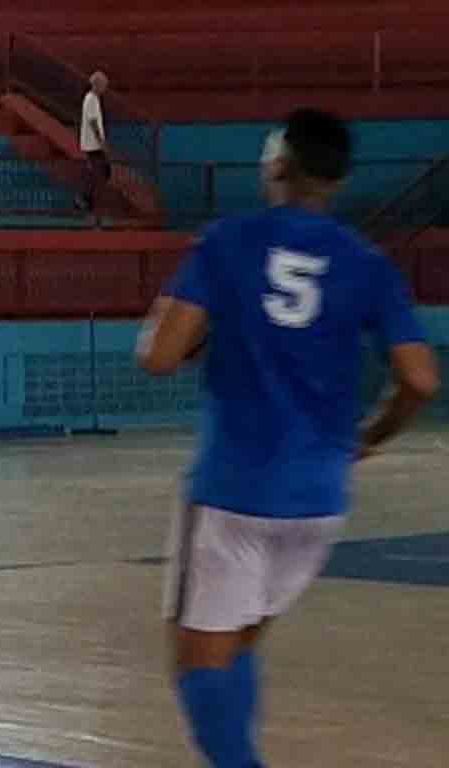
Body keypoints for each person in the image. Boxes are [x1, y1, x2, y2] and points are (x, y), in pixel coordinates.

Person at [137, 108, 439, 767]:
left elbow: (160, 355)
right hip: (319, 501)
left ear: (277, 163)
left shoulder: (227, 243)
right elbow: (419, 378)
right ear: (339, 178)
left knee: (198, 666)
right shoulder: (367, 265)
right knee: (239, 645)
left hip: (233, 489)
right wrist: (371, 439)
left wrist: (185, 330)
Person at [75, 70, 111, 212]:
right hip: (93, 144)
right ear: (96, 84)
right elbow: (93, 122)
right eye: (103, 85)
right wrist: (101, 142)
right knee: (98, 172)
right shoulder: (90, 99)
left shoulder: (94, 99)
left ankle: (86, 199)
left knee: (100, 171)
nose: (105, 88)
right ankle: (83, 199)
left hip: (94, 144)